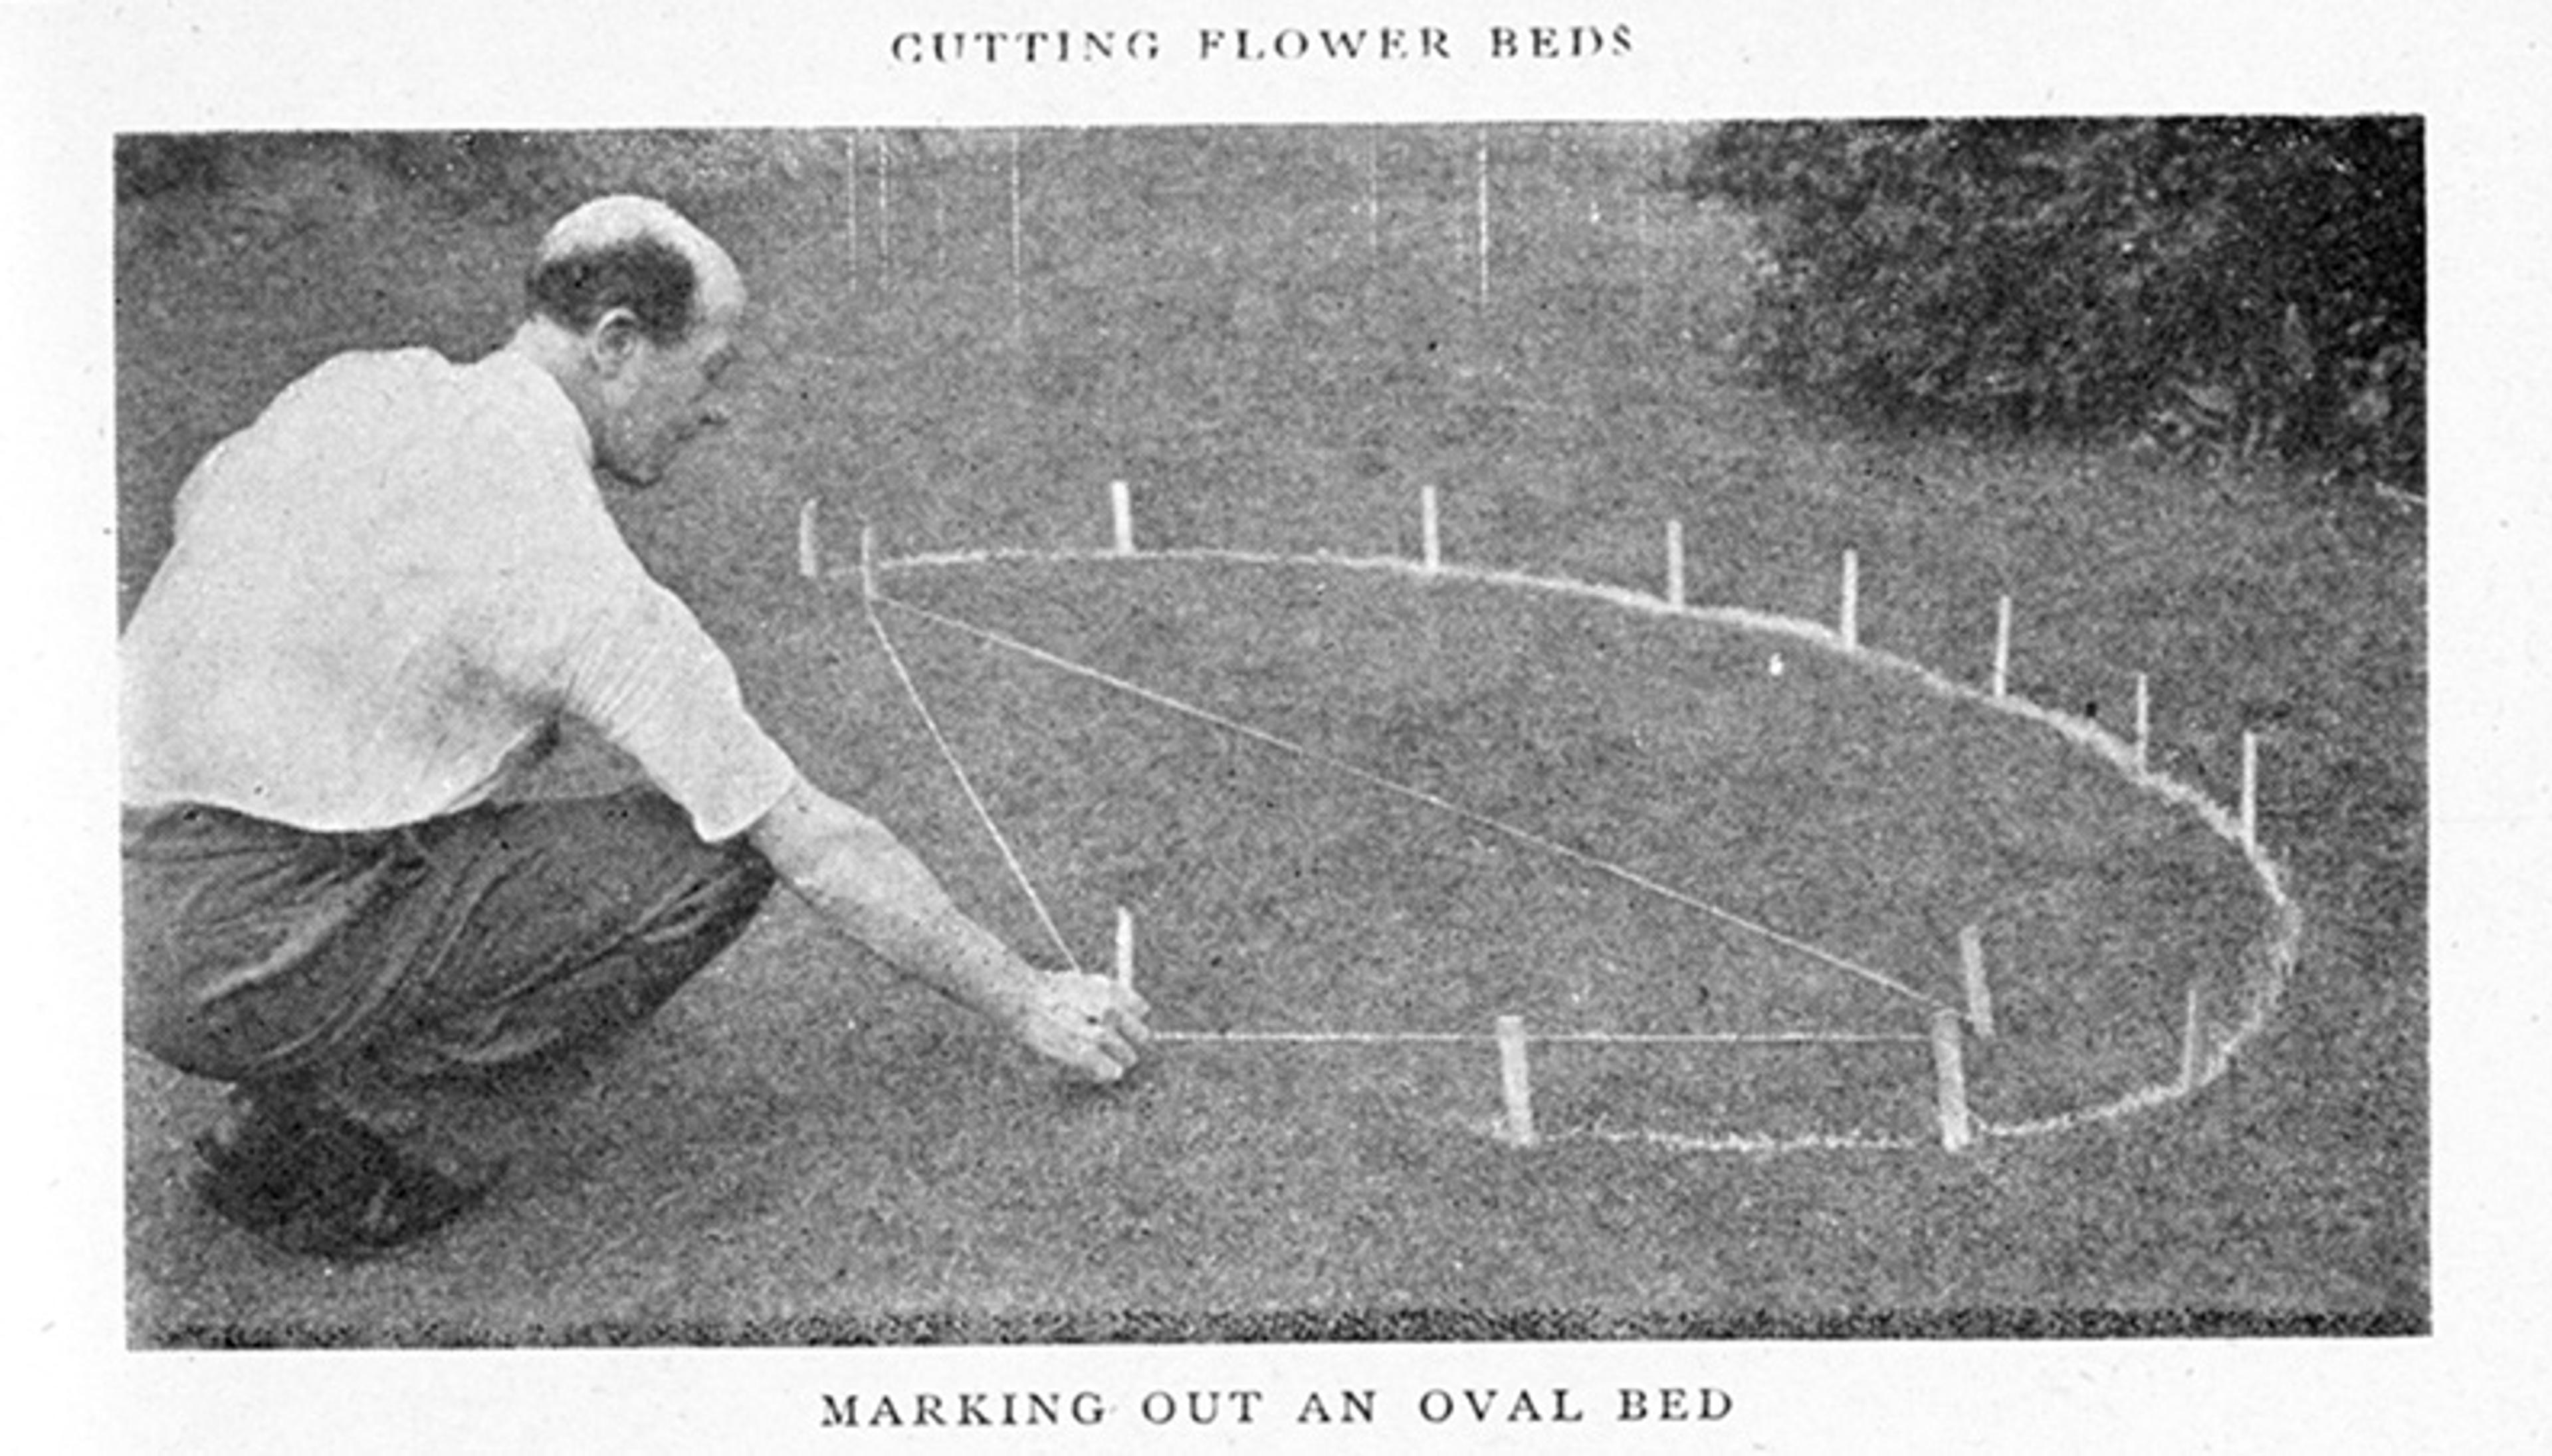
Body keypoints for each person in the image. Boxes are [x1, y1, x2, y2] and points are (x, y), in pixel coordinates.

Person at [121, 195, 1152, 1259]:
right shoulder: (566, 566)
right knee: (704, 862)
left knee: (479, 795)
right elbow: (809, 840)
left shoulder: (355, 387)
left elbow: (207, 499)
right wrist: (1028, 999)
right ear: (617, 344)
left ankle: (311, 1031)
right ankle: (354, 1150)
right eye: (709, 371)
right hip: (221, 953)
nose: (718, 412)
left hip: (80, 893)